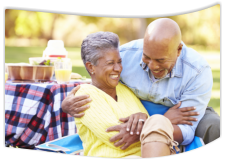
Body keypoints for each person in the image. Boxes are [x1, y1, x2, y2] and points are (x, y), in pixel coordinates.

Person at [62, 18, 220, 150]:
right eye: (146, 57)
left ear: (178, 50)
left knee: (215, 125)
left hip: (176, 116)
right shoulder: (125, 56)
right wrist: (69, 101)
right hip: (136, 112)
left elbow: (187, 131)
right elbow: (100, 77)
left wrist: (148, 127)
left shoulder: (198, 72)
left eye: (161, 60)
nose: (152, 66)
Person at [74, 31, 180, 158]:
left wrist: (144, 120)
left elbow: (145, 128)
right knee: (159, 121)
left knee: (158, 121)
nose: (118, 68)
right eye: (110, 63)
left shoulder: (124, 89)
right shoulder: (85, 95)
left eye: (119, 62)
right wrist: (156, 121)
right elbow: (116, 138)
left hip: (145, 155)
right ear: (91, 67)